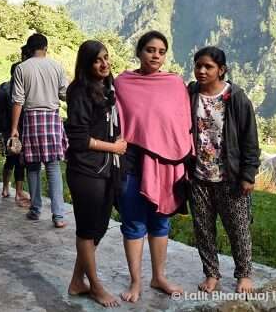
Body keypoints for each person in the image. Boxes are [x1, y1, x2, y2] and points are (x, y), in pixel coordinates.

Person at [113, 31, 192, 302]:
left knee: (160, 221)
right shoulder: (123, 83)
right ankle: (135, 281)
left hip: (167, 164)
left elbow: (182, 124)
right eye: (150, 50)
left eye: (161, 51)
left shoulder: (174, 84)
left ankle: (159, 277)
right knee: (133, 222)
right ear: (139, 52)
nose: (155, 55)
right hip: (132, 162)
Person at [187, 46, 260, 294]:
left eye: (208, 66)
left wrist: (248, 175)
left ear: (222, 69)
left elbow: (250, 140)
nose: (202, 71)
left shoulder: (236, 98)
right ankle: (211, 274)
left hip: (230, 177)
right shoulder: (191, 93)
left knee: (238, 228)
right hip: (199, 176)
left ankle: (244, 275)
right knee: (203, 229)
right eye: (198, 65)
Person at [65, 40, 126, 308]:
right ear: (87, 63)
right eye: (98, 60)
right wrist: (114, 146)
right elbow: (78, 138)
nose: (104, 64)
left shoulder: (108, 87)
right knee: (87, 230)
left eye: (107, 58)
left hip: (106, 168)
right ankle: (95, 286)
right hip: (86, 169)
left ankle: (78, 281)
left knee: (98, 228)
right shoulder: (78, 91)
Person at [10, 33, 68, 228]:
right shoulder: (57, 66)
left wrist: (14, 129)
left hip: (32, 120)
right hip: (52, 119)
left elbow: (18, 100)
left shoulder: (21, 68)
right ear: (45, 47)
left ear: (29, 48)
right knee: (53, 168)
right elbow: (64, 94)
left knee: (33, 167)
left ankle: (35, 209)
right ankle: (58, 215)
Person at [0, 62, 29, 206]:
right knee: (20, 161)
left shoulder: (2, 88)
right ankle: (19, 193)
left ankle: (5, 188)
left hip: (6, 130)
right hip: (18, 129)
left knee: (10, 160)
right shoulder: (20, 90)